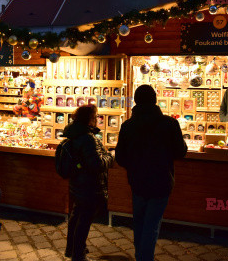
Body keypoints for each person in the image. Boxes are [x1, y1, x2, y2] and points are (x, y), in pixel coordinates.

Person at [115, 85, 187, 261]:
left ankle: (141, 255)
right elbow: (180, 152)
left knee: (139, 222)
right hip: (161, 180)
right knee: (152, 225)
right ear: (155, 100)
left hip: (137, 181)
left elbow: (120, 157)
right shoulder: (169, 124)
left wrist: (134, 166)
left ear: (136, 101)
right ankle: (144, 258)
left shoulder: (128, 125)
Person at [63, 104, 113, 261]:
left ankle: (72, 249)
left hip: (78, 183)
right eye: (95, 116)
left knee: (77, 216)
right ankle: (78, 255)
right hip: (89, 185)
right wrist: (111, 157)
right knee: (84, 220)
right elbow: (96, 164)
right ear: (90, 119)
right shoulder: (87, 138)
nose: (97, 119)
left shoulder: (75, 133)